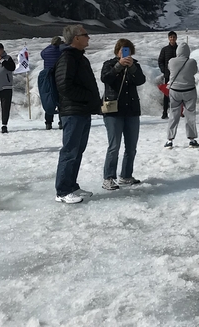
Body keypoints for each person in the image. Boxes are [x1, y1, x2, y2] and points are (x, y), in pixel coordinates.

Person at [54, 24, 102, 204]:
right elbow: (64, 86)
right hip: (73, 111)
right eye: (85, 34)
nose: (88, 37)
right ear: (76, 38)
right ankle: (62, 191)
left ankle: (71, 185)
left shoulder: (79, 58)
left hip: (81, 110)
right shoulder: (68, 58)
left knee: (77, 150)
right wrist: (87, 98)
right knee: (70, 150)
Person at [101, 38, 146, 189]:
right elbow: (105, 78)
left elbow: (141, 80)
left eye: (127, 49)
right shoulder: (108, 64)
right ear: (117, 51)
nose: (124, 52)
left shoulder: (135, 65)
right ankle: (108, 177)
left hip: (132, 110)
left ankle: (126, 175)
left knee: (131, 146)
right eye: (122, 49)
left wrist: (132, 67)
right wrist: (118, 66)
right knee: (114, 146)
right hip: (114, 110)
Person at [164, 42, 199, 148]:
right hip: (189, 90)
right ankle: (192, 140)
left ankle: (170, 140)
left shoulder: (171, 61)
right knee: (190, 114)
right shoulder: (192, 61)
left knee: (173, 114)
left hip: (175, 90)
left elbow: (170, 69)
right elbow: (194, 71)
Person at [38, 36, 63, 130]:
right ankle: (62, 122)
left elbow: (42, 53)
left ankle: (48, 122)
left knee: (49, 99)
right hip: (59, 76)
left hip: (48, 77)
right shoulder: (61, 51)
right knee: (61, 99)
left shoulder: (46, 51)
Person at [158, 31, 178, 119]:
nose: (172, 39)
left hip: (178, 75)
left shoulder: (179, 49)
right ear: (168, 38)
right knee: (167, 94)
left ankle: (179, 112)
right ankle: (165, 112)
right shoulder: (165, 49)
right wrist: (164, 70)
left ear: (176, 38)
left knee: (178, 94)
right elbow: (160, 61)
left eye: (174, 37)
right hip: (168, 75)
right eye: (171, 37)